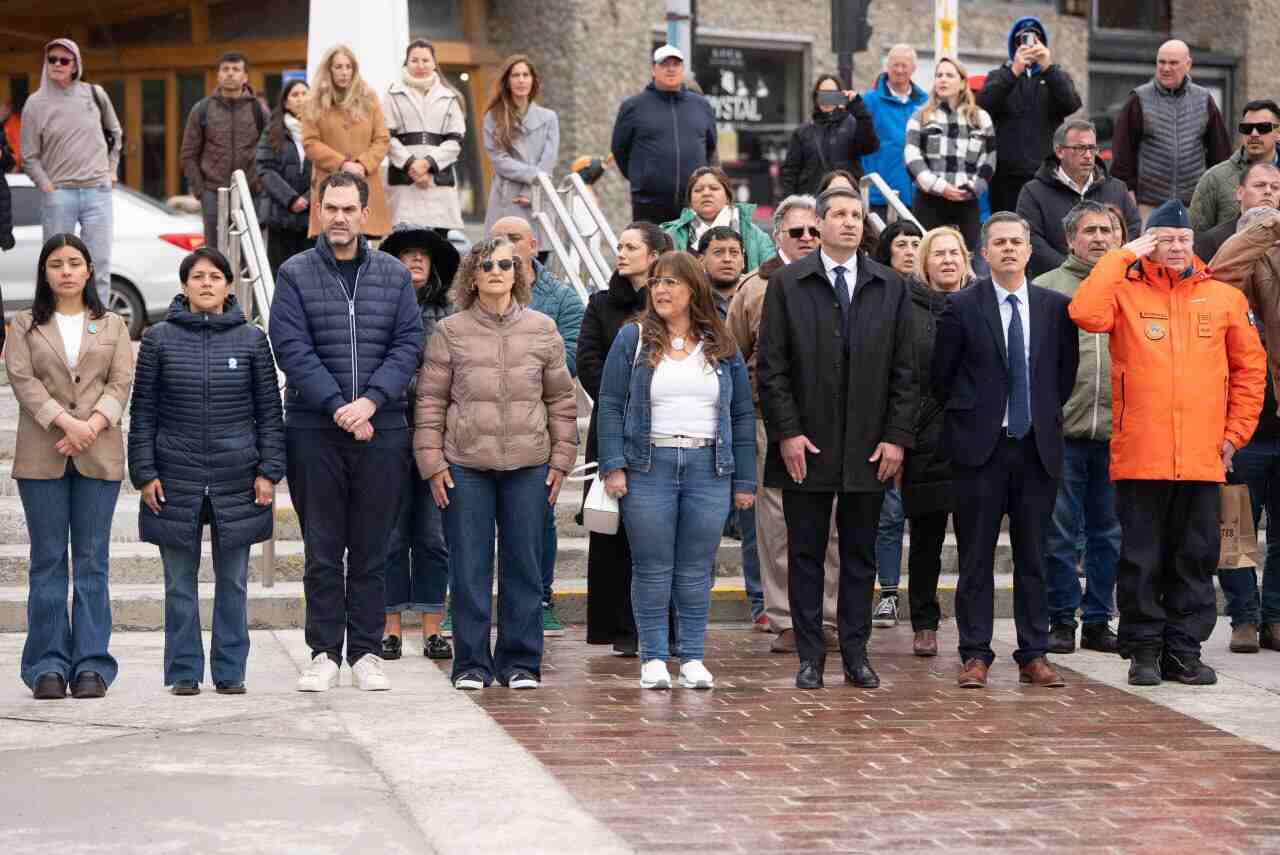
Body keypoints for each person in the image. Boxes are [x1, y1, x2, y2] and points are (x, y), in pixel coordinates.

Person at [1070, 199, 1266, 685]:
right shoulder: (1124, 291)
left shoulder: (1223, 297)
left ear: (1193, 242)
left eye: (1183, 239)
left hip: (1204, 457)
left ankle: (1184, 651)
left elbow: (1250, 372)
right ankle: (1142, 651)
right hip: (1141, 455)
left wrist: (1234, 434)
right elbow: (1085, 312)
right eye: (1164, 239)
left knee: (1195, 558)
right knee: (1140, 560)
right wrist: (1120, 256)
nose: (1175, 247)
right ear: (1148, 242)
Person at [269, 172, 424, 693]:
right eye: (329, 208)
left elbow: (408, 344)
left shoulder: (393, 275)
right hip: (315, 429)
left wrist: (369, 402)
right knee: (322, 546)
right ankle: (322, 652)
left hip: (383, 429)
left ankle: (365, 651)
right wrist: (339, 407)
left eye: (348, 209)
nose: (338, 217)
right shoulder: (293, 274)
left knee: (372, 546)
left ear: (364, 214)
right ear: (318, 211)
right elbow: (291, 347)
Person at [757, 187, 916, 690]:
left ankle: (855, 652)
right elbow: (772, 367)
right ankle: (809, 656)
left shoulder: (889, 285)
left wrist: (896, 437)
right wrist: (787, 434)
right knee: (804, 553)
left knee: (859, 555)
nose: (848, 223)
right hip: (807, 446)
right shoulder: (787, 283)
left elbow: (906, 370)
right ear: (820, 224)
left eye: (856, 215)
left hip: (869, 448)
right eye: (838, 215)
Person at [416, 238, 577, 691]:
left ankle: (521, 663)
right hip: (465, 466)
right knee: (468, 568)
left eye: (506, 263)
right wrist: (432, 463)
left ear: (517, 273)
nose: (496, 270)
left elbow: (561, 400)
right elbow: (430, 402)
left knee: (524, 566)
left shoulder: (543, 329)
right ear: (472, 274)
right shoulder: (450, 332)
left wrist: (562, 460)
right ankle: (470, 663)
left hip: (529, 465)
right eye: (486, 264)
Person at [931, 212, 1079, 689]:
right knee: (975, 557)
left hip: (1036, 449)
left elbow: (1063, 377)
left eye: (1017, 242)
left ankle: (1033, 653)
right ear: (985, 252)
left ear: (1031, 250)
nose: (1010, 250)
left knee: (1034, 556)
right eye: (1000, 243)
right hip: (980, 449)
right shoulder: (961, 307)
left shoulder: (1055, 308)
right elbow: (941, 378)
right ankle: (975, 653)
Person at [128, 247, 284, 695]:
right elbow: (143, 413)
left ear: (228, 285)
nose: (207, 283)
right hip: (174, 477)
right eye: (198, 276)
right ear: (184, 286)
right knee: (179, 584)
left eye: (216, 276)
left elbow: (269, 413)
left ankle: (231, 670)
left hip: (238, 478)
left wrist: (269, 471)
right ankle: (182, 672)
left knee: (233, 583)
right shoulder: (158, 339)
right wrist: (144, 472)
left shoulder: (252, 339)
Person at [597, 251, 755, 690]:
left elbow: (742, 414)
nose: (661, 290)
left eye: (671, 282)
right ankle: (651, 658)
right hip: (649, 466)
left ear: (693, 289)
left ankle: (691, 657)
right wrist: (614, 465)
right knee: (651, 566)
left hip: (709, 467)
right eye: (656, 283)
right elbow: (609, 405)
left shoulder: (721, 343)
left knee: (696, 568)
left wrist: (744, 479)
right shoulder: (632, 339)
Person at [4, 234, 133, 700]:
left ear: (88, 270)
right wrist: (64, 422)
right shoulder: (24, 324)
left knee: (93, 562)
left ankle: (93, 665)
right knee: (48, 562)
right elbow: (22, 379)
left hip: (99, 454)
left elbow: (120, 381)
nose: (66, 271)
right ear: (44, 272)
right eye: (56, 264)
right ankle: (46, 665)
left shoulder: (113, 324)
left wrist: (92, 425)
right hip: (43, 455)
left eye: (74, 263)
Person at [729, 196, 843, 654]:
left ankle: (829, 616)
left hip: (830, 422)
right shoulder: (753, 289)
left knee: (832, 522)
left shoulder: (841, 282)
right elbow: (733, 354)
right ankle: (784, 618)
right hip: (767, 421)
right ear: (777, 237)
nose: (806, 240)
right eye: (796, 233)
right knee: (774, 526)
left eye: (812, 232)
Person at [1032, 201, 1124, 655]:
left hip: (1118, 435)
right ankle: (1061, 619)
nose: (1099, 237)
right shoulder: (1046, 288)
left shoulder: (1133, 285)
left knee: (1108, 535)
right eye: (1089, 230)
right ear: (1070, 240)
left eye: (1106, 229)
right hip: (1062, 433)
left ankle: (1098, 620)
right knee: (1060, 533)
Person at [579, 222, 671, 656]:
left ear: (654, 255)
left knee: (657, 532)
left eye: (631, 246)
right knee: (613, 533)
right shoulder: (601, 304)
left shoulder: (673, 303)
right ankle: (619, 629)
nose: (621, 252)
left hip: (665, 428)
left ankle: (662, 628)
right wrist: (626, 400)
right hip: (613, 427)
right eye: (619, 246)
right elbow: (588, 362)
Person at [490, 215, 583, 635]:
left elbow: (571, 360)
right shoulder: (476, 292)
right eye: (497, 240)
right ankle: (464, 599)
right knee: (469, 522)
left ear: (533, 244)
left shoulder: (562, 299)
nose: (504, 246)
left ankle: (541, 598)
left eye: (513, 239)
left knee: (537, 520)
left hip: (536, 427)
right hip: (481, 424)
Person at [375, 225, 459, 661]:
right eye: (407, 254)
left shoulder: (451, 315)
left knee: (432, 537)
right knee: (390, 536)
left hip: (439, 437)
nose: (416, 261)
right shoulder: (378, 309)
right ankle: (389, 628)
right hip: (387, 431)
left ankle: (432, 628)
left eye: (423, 255)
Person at [1206, 209, 1280, 653]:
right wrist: (1264, 226)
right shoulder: (1228, 279)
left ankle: (1274, 616)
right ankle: (1244, 618)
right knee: (1236, 532)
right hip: (1241, 431)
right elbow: (1221, 271)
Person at [900, 226, 972, 656]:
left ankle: (971, 622)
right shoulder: (906, 309)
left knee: (975, 541)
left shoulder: (983, 303)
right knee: (925, 540)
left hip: (973, 439)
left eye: (954, 253)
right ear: (924, 263)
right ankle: (924, 622)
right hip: (925, 438)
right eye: (938, 253)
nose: (947, 260)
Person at [695, 224, 764, 627]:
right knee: (702, 530)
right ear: (701, 258)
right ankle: (695, 604)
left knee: (755, 522)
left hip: (745, 420)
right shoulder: (692, 303)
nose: (727, 258)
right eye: (718, 251)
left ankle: (760, 603)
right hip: (702, 427)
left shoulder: (754, 294)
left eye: (734, 251)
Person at [21, 38, 122, 307]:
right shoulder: (35, 103)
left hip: (98, 192)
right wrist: (47, 186)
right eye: (52, 59)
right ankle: (55, 318)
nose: (57, 64)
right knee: (56, 262)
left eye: (64, 60)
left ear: (76, 65)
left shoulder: (94, 94)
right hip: (59, 194)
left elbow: (115, 132)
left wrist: (111, 170)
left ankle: (98, 323)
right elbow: (29, 156)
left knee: (98, 261)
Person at [866, 219, 924, 629]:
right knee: (888, 513)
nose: (909, 250)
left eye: (916, 243)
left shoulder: (934, 295)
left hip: (929, 420)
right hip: (883, 418)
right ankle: (888, 591)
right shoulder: (877, 294)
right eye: (901, 244)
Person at [1111, 40, 1232, 219]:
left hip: (1194, 206)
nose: (1166, 68)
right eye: (1161, 62)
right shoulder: (1139, 99)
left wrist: (1219, 196)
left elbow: (1220, 154)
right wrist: (1126, 192)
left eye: (1173, 63)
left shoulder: (1204, 99)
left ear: (1188, 65)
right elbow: (1123, 152)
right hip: (1147, 206)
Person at [976, 16, 1082, 216]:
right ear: (1014, 45)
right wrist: (1014, 71)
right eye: (1023, 40)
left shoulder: (1056, 77)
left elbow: (1071, 104)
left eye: (1036, 40)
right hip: (1005, 177)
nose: (1030, 45)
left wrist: (1048, 68)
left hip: (1046, 175)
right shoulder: (1000, 75)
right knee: (1007, 229)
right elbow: (983, 104)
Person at [1016, 119, 1142, 278]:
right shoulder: (1033, 192)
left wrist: (1111, 265)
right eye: (1080, 148)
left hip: (1111, 278)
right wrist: (1070, 271)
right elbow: (1030, 238)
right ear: (1060, 151)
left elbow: (1133, 228)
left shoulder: (1117, 188)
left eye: (1092, 148)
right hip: (1056, 283)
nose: (1089, 156)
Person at [611, 44, 717, 227]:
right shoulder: (634, 106)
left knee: (692, 254)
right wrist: (643, 178)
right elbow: (620, 149)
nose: (671, 69)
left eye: (676, 64)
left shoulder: (701, 105)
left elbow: (710, 146)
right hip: (649, 203)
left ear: (683, 69)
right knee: (653, 253)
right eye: (664, 64)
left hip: (693, 202)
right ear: (653, 69)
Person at [904, 58, 996, 252]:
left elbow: (989, 159)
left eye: (949, 75)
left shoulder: (980, 118)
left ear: (963, 82)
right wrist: (939, 187)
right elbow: (912, 157)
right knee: (929, 258)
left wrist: (971, 189)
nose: (942, 80)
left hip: (967, 201)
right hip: (929, 201)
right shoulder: (920, 116)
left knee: (966, 260)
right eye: (939, 75)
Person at [180, 52, 272, 247]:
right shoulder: (201, 109)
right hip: (213, 192)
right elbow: (188, 154)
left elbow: (271, 151)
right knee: (215, 251)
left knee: (249, 251)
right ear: (218, 75)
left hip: (250, 193)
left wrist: (262, 186)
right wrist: (201, 191)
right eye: (225, 69)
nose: (230, 74)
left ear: (245, 77)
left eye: (236, 69)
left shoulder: (259, 110)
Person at [303, 45, 392, 239]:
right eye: (338, 67)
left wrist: (363, 164)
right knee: (333, 241)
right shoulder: (314, 102)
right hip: (330, 183)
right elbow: (310, 143)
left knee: (365, 243)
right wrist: (342, 164)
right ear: (329, 70)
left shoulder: (369, 98)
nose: (344, 72)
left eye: (348, 67)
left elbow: (382, 138)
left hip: (365, 181)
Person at [383, 39, 465, 232]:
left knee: (439, 244)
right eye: (414, 60)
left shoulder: (450, 97)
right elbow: (386, 137)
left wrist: (427, 164)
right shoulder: (392, 95)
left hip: (439, 180)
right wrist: (412, 165)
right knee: (405, 240)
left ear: (434, 63)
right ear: (406, 63)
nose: (420, 65)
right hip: (404, 180)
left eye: (425, 60)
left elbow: (455, 141)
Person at [483, 55, 560, 252]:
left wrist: (533, 191)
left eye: (526, 75)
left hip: (538, 196)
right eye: (515, 75)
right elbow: (499, 160)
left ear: (533, 80)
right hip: (507, 196)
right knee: (505, 254)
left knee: (539, 256)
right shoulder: (493, 117)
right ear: (507, 82)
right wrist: (534, 176)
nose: (521, 80)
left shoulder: (549, 118)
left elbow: (548, 159)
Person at [780, 73, 879, 197]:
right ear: (816, 97)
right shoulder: (803, 131)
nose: (827, 98)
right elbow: (790, 172)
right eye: (822, 93)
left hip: (846, 199)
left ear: (840, 95)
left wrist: (858, 108)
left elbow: (870, 146)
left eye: (832, 93)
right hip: (812, 202)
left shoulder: (853, 125)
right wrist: (789, 204)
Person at [1190, 100, 1280, 232]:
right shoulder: (1215, 178)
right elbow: (1196, 237)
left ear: (1278, 133)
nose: (1254, 134)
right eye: (1247, 128)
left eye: (1263, 127)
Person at [662, 166, 775, 271]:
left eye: (714, 188)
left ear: (727, 197)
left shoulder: (756, 236)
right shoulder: (669, 234)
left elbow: (770, 277)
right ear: (690, 200)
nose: (706, 193)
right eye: (698, 190)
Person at [861, 45, 929, 219]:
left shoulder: (926, 104)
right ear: (887, 66)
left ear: (913, 69)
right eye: (895, 65)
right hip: (881, 195)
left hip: (918, 194)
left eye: (904, 65)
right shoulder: (869, 100)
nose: (899, 70)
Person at [256, 79, 314, 275]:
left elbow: (329, 170)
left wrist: (307, 198)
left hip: (312, 216)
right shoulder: (273, 131)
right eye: (294, 95)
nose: (300, 99)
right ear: (285, 102)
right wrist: (291, 199)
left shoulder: (321, 130)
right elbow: (265, 169)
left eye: (304, 93)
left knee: (311, 275)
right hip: (280, 215)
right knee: (281, 274)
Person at [1193, 161, 1280, 262]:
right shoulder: (1212, 240)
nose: (1268, 191)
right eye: (1259, 185)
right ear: (1240, 193)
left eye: (1275, 187)